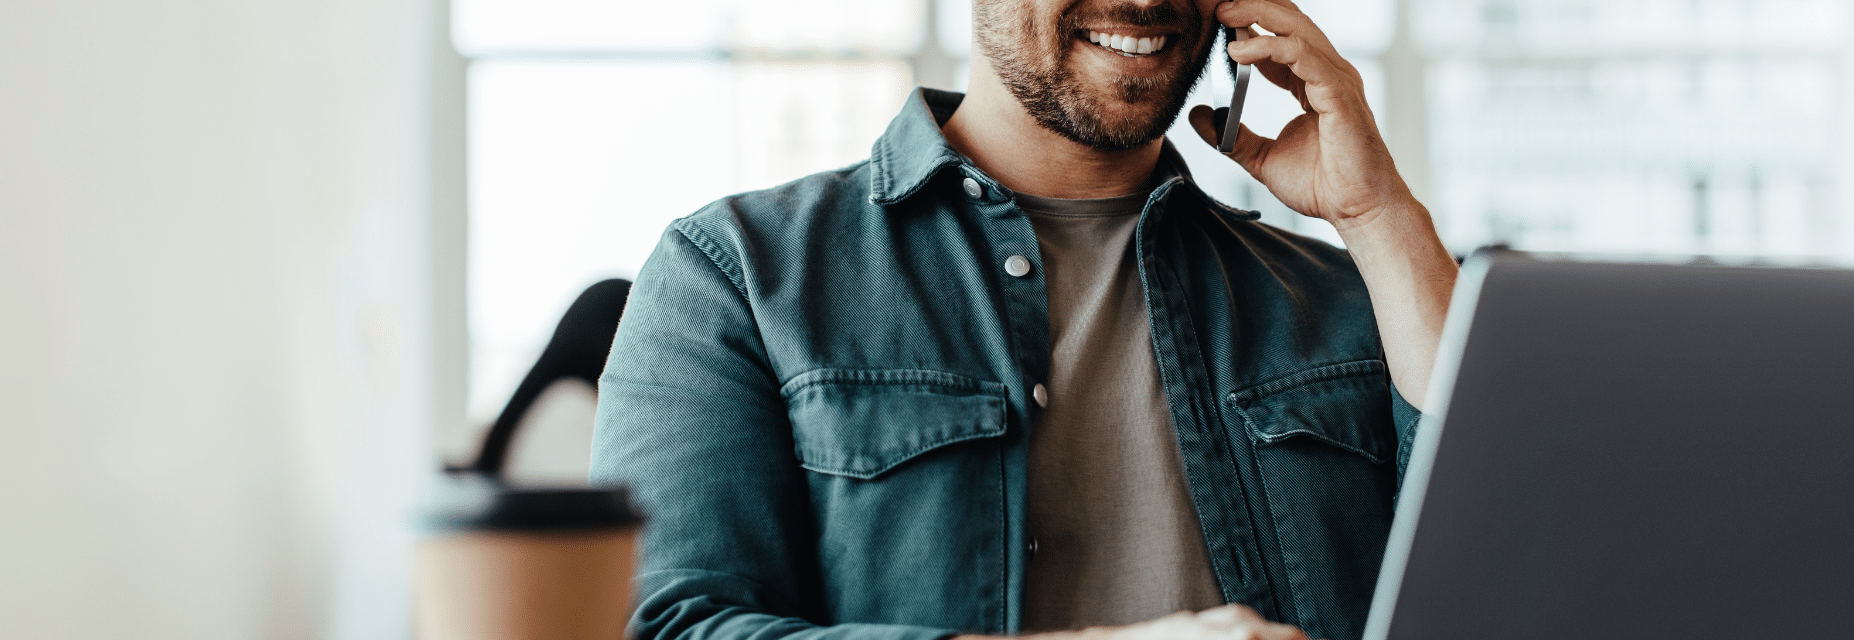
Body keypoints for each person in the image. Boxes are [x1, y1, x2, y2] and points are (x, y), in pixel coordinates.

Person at [591, 0, 1459, 638]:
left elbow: (1516, 571)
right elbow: (670, 627)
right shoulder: (738, 275)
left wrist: (1378, 215)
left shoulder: (1355, 296)